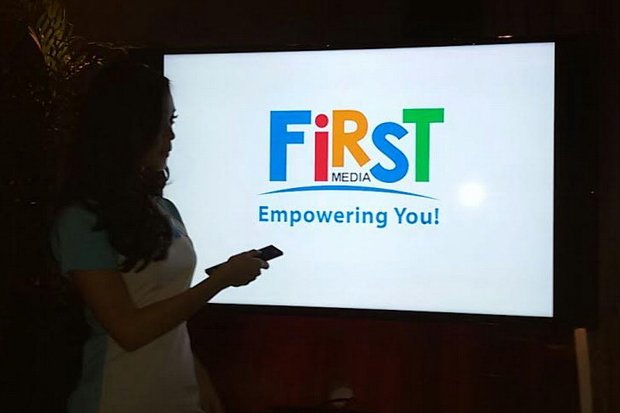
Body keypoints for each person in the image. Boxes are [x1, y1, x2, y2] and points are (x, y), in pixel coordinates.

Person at [50, 60, 268, 413]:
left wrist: (197, 374)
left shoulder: (163, 208)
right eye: (165, 123)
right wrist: (221, 280)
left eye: (173, 123)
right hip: (118, 398)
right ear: (132, 127)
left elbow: (168, 315)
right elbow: (129, 330)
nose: (172, 136)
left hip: (179, 393)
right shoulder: (80, 220)